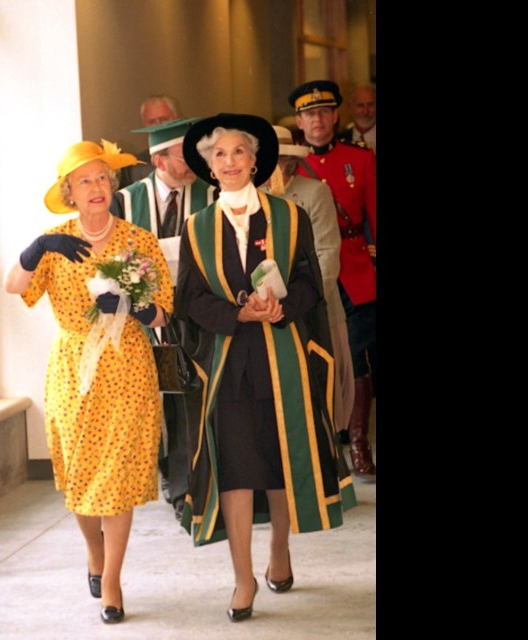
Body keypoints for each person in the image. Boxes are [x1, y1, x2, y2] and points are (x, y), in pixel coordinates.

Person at [176, 113, 356, 623]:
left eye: (238, 152)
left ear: (256, 162)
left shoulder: (289, 216)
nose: (229, 162)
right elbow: (189, 297)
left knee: (279, 467)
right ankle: (241, 578)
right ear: (209, 168)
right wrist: (236, 312)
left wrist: (282, 307)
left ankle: (280, 551)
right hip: (230, 366)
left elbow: (308, 283)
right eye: (219, 155)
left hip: (283, 360)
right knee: (235, 470)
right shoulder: (197, 228)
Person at [3, 139, 174, 625]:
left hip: (127, 368)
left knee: (118, 476)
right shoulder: (54, 242)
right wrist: (35, 249)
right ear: (70, 192)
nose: (97, 187)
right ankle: (93, 550)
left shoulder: (138, 241)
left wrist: (141, 308)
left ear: (112, 186)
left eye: (103, 178)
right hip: (73, 371)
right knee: (79, 475)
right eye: (85, 181)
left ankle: (114, 581)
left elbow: (165, 311)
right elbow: (15, 287)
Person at [110, 118, 217, 521]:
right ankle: (167, 478)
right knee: (157, 404)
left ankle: (188, 490)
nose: (193, 162)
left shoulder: (212, 194)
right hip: (142, 320)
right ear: (159, 160)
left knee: (192, 400)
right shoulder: (125, 201)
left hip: (196, 315)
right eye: (183, 155)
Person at [289, 80, 377, 480]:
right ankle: (331, 439)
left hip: (356, 272)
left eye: (324, 112)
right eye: (309, 113)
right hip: (310, 273)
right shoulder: (292, 166)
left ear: (336, 116)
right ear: (299, 121)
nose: (318, 120)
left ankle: (358, 443)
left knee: (356, 357)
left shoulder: (360, 160)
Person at [259, 125, 355, 445]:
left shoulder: (314, 193)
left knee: (318, 396)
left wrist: (302, 303)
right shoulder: (251, 198)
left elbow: (328, 254)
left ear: (289, 162)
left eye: (279, 162)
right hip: (266, 315)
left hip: (315, 310)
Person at [117, 95, 181, 188]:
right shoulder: (135, 166)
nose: (158, 126)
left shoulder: (197, 154)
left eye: (164, 120)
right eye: (152, 122)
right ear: (145, 127)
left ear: (176, 119)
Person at [336, 83, 376, 154]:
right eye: (360, 105)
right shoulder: (338, 140)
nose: (365, 111)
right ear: (350, 107)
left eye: (370, 105)